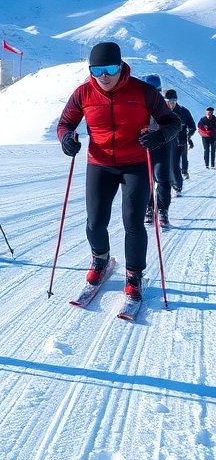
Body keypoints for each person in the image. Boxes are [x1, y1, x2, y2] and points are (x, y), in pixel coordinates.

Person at [57, 42, 181, 302]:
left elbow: (173, 122)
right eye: (97, 69)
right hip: (100, 163)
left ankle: (134, 276)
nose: (104, 76)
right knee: (95, 221)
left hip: (135, 163)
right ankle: (99, 259)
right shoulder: (83, 93)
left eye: (110, 68)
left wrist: (159, 137)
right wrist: (67, 138)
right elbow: (65, 123)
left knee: (133, 222)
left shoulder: (144, 91)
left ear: (121, 66)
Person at [139, 75, 176, 225]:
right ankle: (149, 207)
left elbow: (173, 125)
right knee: (146, 180)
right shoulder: (138, 105)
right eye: (150, 91)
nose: (154, 94)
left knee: (162, 178)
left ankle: (162, 210)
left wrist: (162, 134)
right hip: (143, 147)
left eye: (157, 91)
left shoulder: (163, 107)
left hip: (161, 146)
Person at [165, 89, 196, 184]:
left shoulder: (184, 112)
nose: (171, 104)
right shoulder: (161, 111)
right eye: (169, 101)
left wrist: (188, 137)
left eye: (173, 101)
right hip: (166, 143)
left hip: (180, 142)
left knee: (175, 164)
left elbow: (192, 127)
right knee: (168, 165)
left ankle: (178, 185)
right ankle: (169, 183)